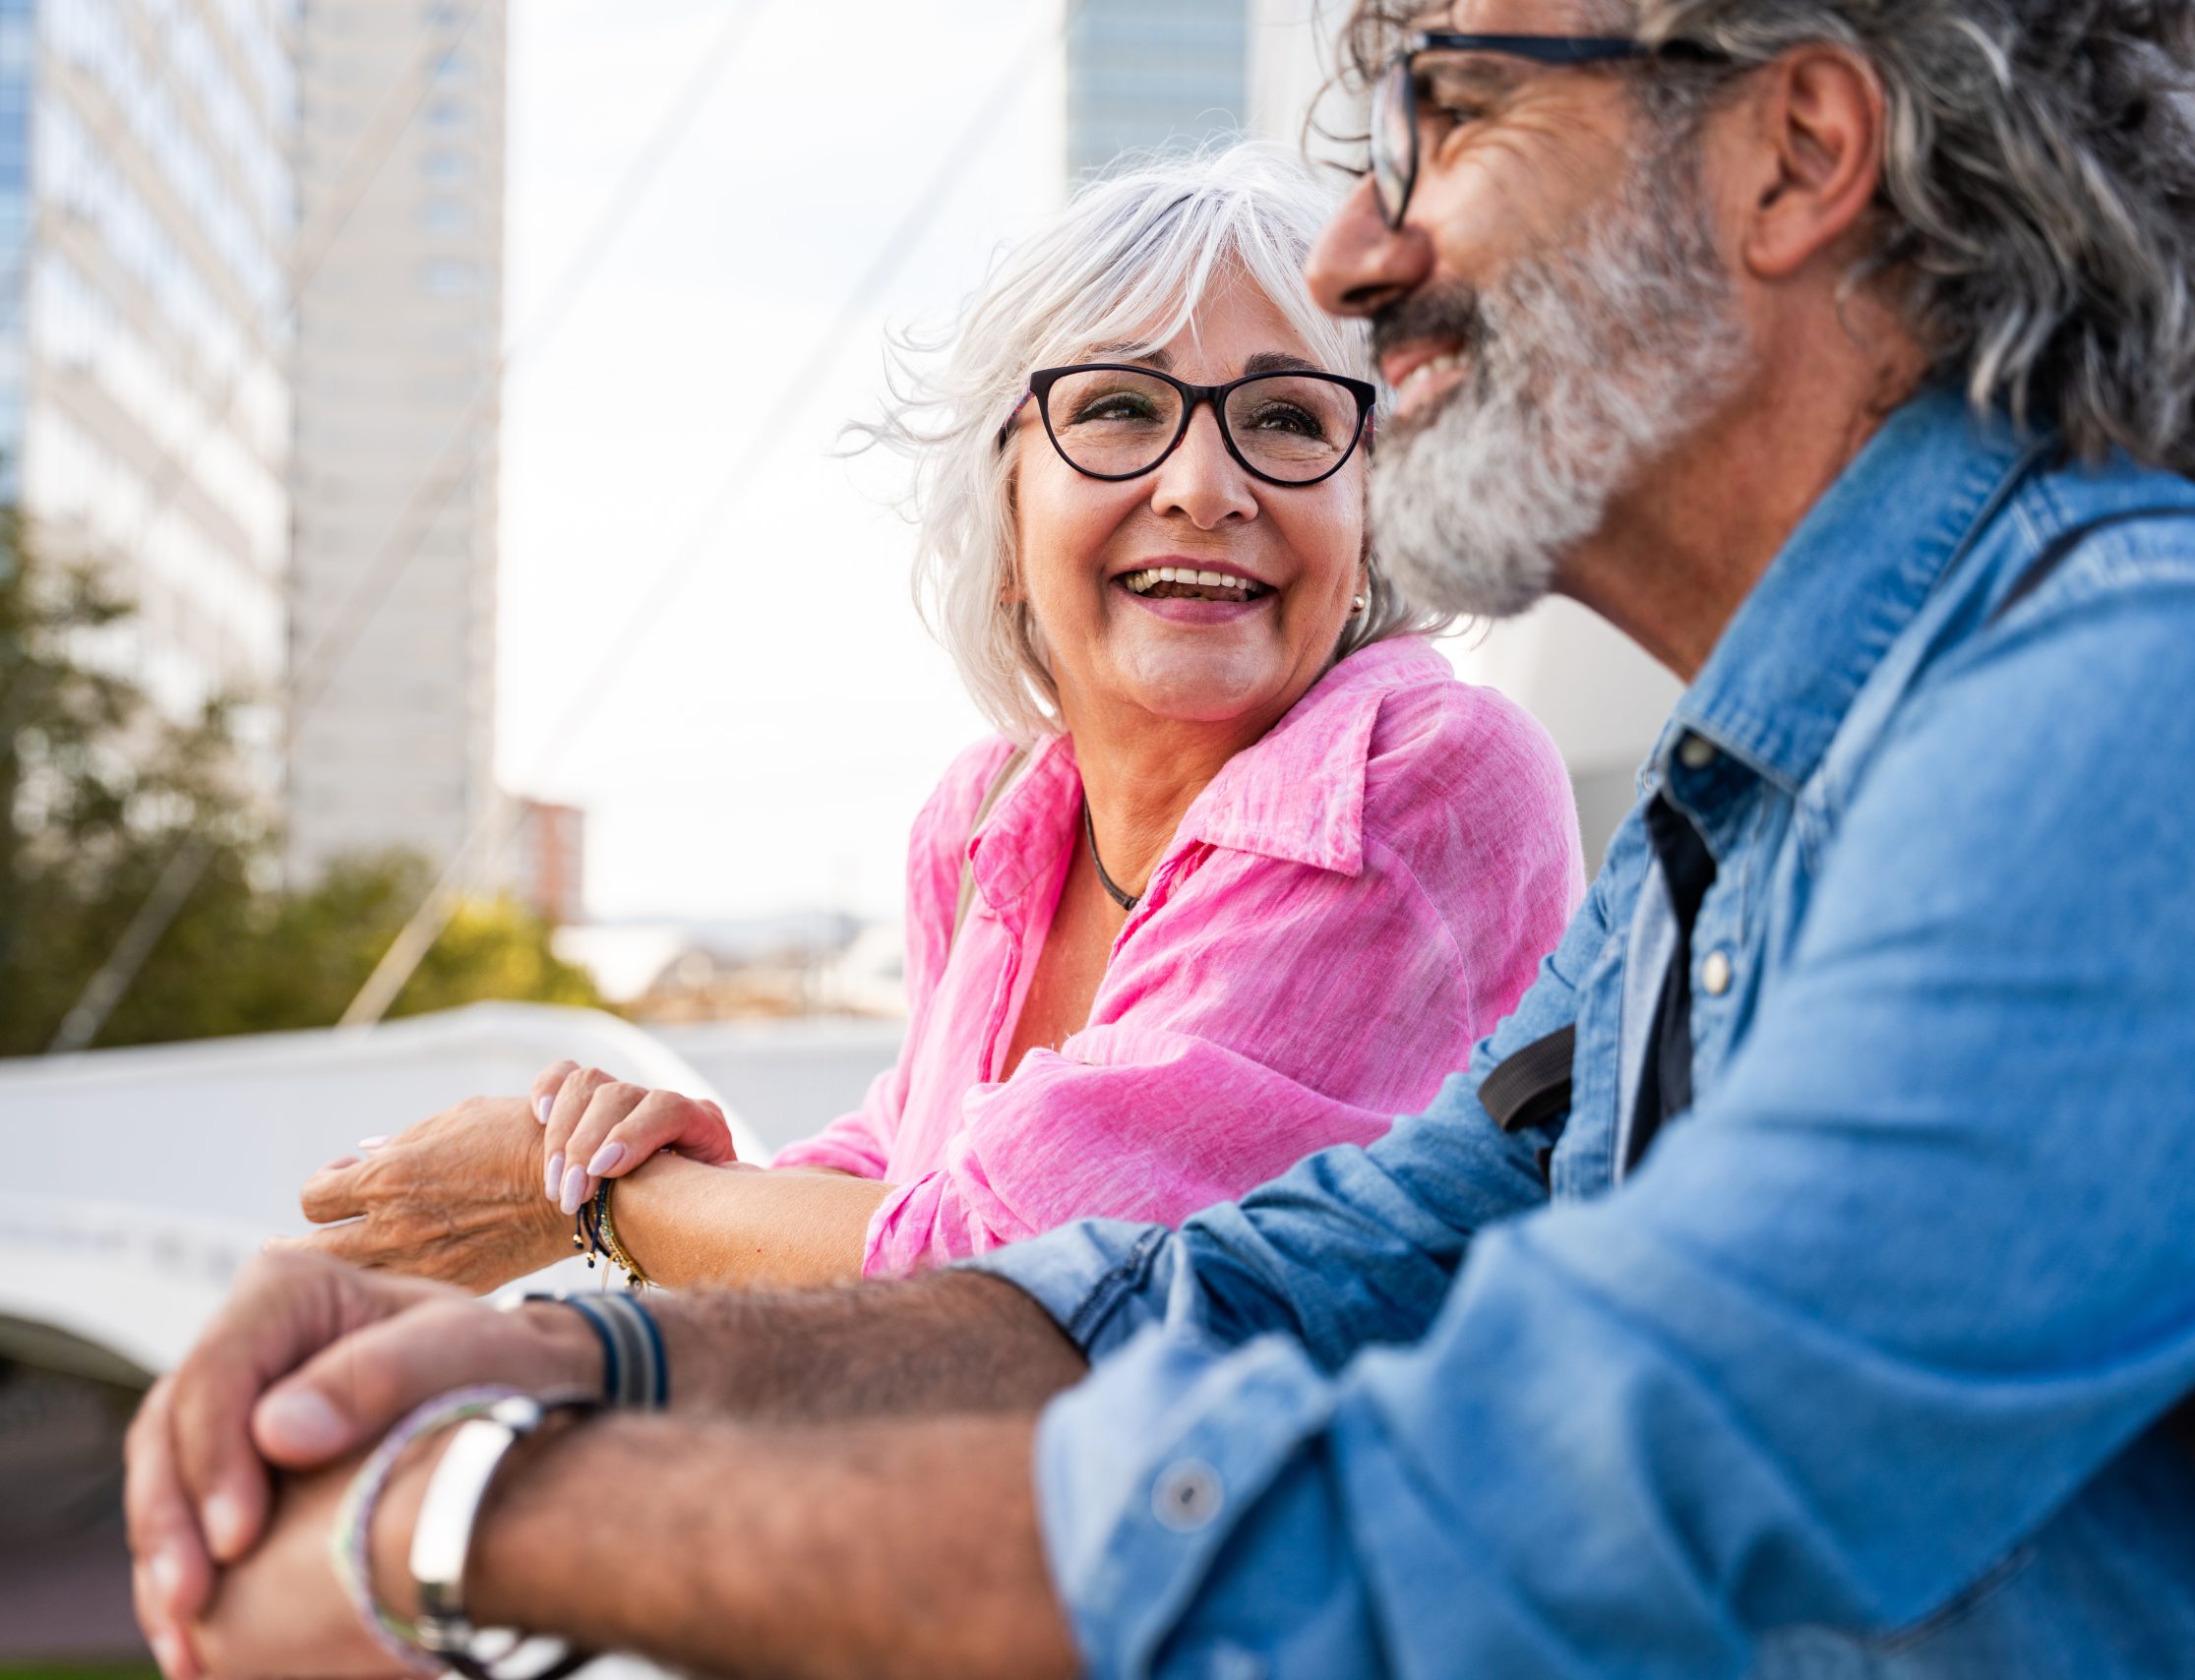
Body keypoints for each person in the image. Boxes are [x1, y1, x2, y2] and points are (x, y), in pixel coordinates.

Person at [128, 3, 2195, 1677]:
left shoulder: (2157, 723)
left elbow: (1529, 1496)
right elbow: (1253, 1282)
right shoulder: (1731, 818)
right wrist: (565, 1354)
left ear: (1792, 151)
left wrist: (467, 1518)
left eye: (1452, 111)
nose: (1364, 254)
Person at [289, 144, 1582, 1293]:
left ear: (1376, 509)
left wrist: (579, 1200)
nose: (1203, 485)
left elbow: (1010, 1273)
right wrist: (654, 1148)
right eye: (1120, 407)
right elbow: (906, 1160)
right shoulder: (985, 822)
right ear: (1005, 511)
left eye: (1290, 418)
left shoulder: (1424, 782)